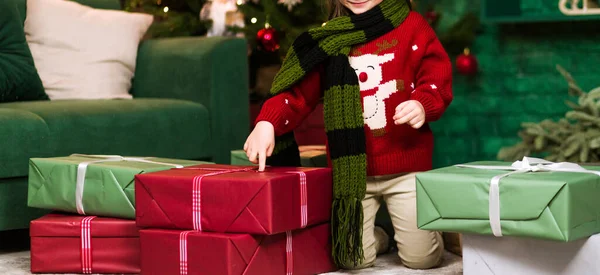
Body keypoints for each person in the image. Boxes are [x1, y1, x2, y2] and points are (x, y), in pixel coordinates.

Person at [244, 0, 453, 270]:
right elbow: (297, 93)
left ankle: (430, 234)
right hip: (352, 176)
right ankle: (379, 238)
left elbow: (435, 75)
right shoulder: (331, 37)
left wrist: (422, 103)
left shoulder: (412, 25)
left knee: (422, 259)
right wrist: (267, 123)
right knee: (352, 257)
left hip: (405, 169)